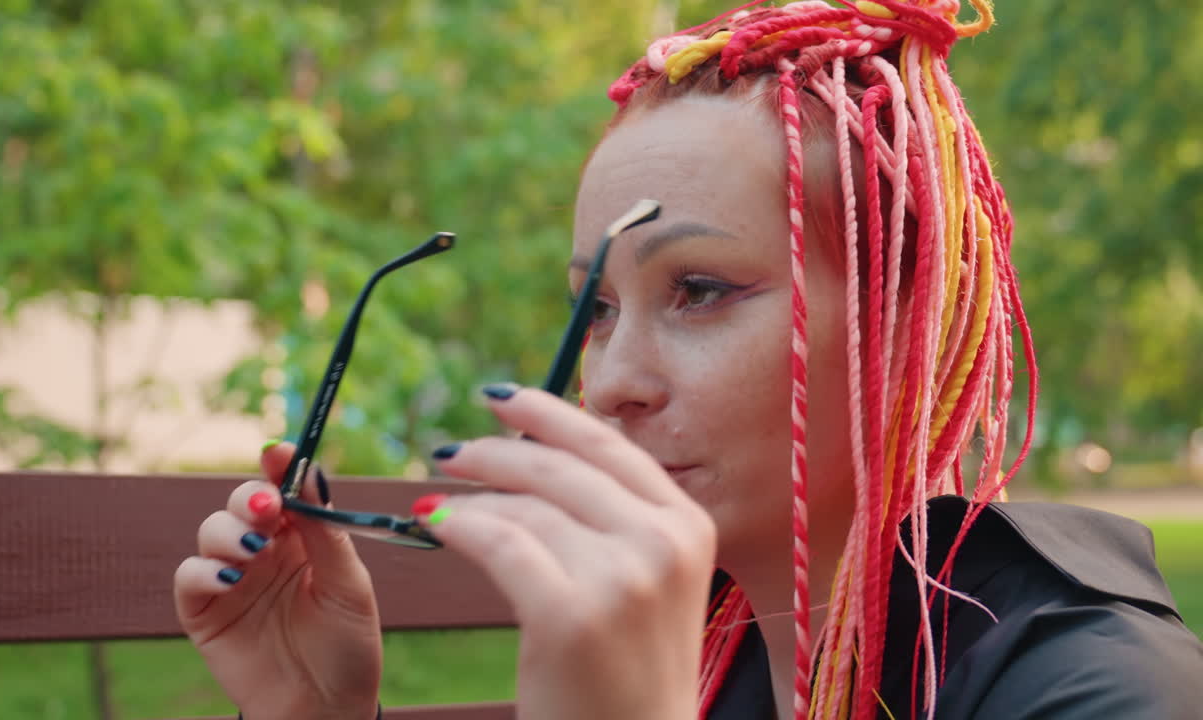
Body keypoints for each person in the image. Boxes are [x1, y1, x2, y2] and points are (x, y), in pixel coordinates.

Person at [172, 1, 1203, 718]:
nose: (611, 379)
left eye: (698, 292)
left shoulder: (1095, 691)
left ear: (904, 319)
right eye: (598, 309)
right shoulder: (705, 652)